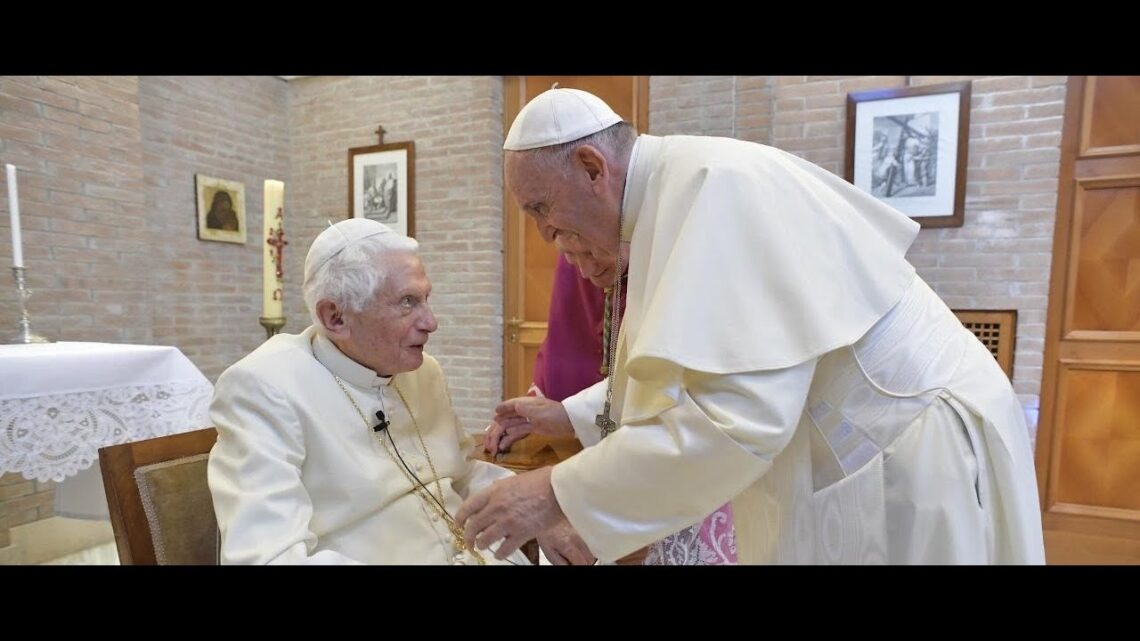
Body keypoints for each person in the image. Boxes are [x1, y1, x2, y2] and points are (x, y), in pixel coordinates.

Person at [457, 87, 1045, 565]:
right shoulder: (672, 196)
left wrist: (552, 492)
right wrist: (573, 417)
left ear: (592, 167)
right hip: (862, 442)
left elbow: (733, 421)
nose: (543, 235)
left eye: (539, 208)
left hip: (902, 450)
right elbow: (692, 369)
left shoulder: (716, 189)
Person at [207, 218, 559, 565]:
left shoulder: (424, 373)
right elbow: (268, 557)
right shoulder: (264, 388)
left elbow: (464, 474)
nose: (431, 322)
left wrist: (543, 511)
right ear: (335, 318)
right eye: (407, 302)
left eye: (426, 299)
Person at [487, 249, 737, 565]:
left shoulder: (681, 256)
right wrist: (564, 412)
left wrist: (559, 495)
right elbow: (575, 345)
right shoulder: (582, 254)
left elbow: (688, 388)